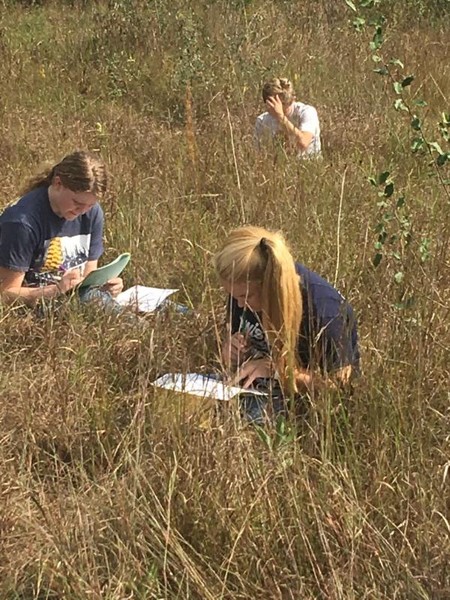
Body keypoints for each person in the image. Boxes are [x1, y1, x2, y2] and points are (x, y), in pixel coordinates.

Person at [214, 226, 359, 424]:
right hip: (253, 384)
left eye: (244, 297)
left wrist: (279, 371)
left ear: (269, 286)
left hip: (303, 400)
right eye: (233, 296)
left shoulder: (326, 312)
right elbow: (238, 335)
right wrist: (231, 350)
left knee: (245, 422)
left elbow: (339, 386)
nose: (239, 305)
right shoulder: (242, 290)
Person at [0, 151, 123, 308]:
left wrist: (104, 286)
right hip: (38, 307)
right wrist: (55, 291)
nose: (83, 211)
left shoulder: (92, 213)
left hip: (76, 300)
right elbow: (6, 293)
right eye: (77, 202)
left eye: (90, 205)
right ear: (58, 184)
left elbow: (89, 274)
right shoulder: (22, 223)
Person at [254, 77, 321, 158]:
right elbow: (258, 155)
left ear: (293, 100)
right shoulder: (262, 121)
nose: (275, 108)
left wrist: (281, 117)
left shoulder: (307, 112)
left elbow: (303, 143)